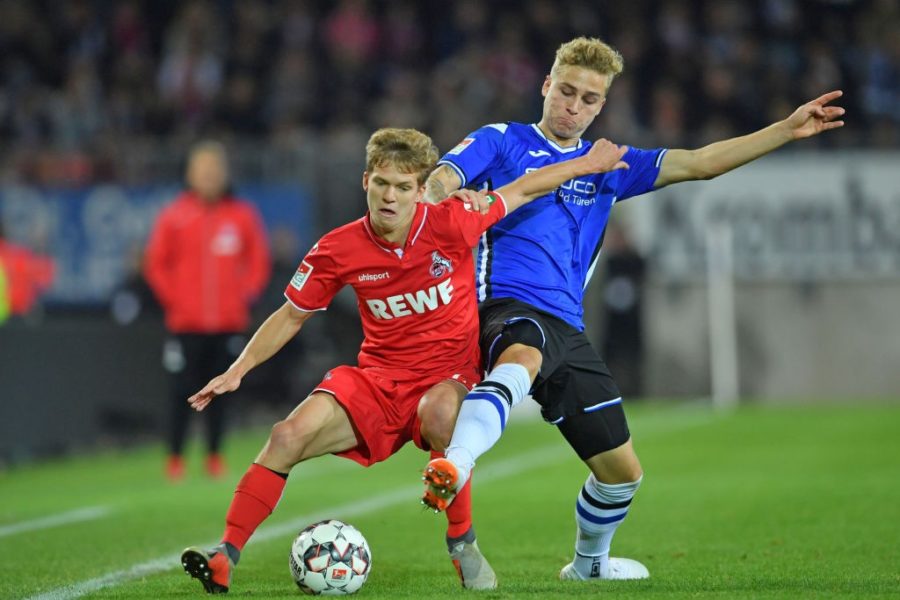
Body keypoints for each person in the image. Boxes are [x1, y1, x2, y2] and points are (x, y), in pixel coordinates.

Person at [420, 36, 844, 581]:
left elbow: (700, 163)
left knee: (621, 474)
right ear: (546, 86)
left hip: (567, 329)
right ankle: (456, 462)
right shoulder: (503, 141)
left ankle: (589, 565)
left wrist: (785, 130)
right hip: (503, 306)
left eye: (588, 99)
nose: (573, 106)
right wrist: (455, 195)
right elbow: (438, 181)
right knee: (523, 353)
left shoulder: (609, 164)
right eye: (566, 91)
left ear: (601, 106)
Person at [178, 127, 630, 594]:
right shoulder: (337, 248)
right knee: (286, 435)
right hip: (377, 380)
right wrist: (237, 371)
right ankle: (225, 556)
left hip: (447, 377)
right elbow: (291, 315)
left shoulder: (452, 221)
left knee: (440, 413)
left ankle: (462, 542)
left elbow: (524, 187)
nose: (389, 197)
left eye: (402, 187)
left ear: (421, 190)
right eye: (381, 184)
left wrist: (584, 165)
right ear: (365, 182)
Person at [144, 141, 271, 481]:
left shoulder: (241, 215)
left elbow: (258, 262)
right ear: (190, 174)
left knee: (221, 393)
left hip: (228, 324)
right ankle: (175, 458)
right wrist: (176, 300)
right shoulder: (174, 216)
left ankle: (215, 456)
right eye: (203, 169)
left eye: (215, 169)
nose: (210, 176)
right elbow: (156, 265)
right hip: (185, 325)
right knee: (180, 392)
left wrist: (244, 295)